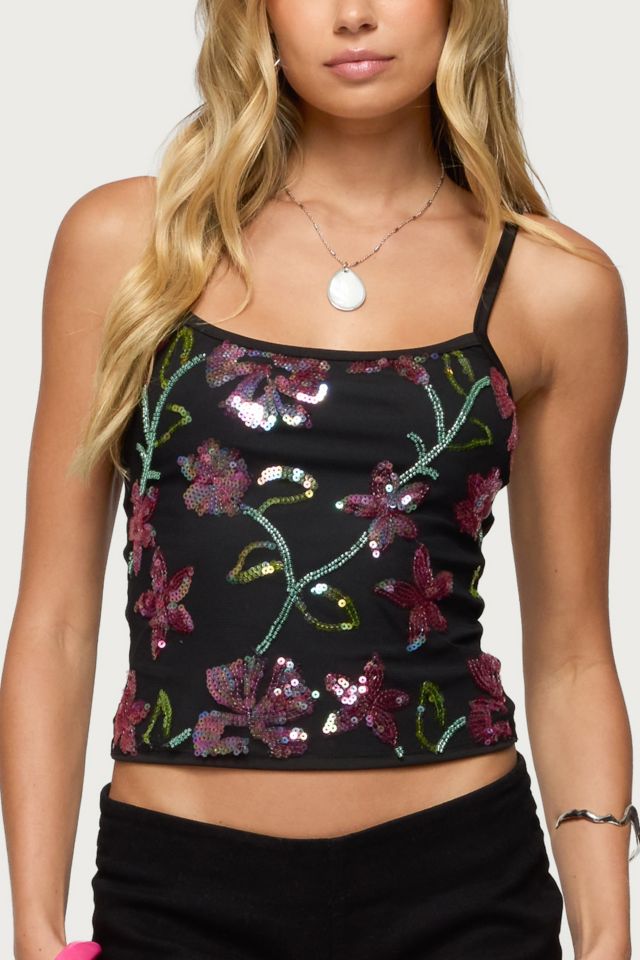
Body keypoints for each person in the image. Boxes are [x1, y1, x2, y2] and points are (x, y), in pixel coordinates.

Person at [1, 1, 637, 959]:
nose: (353, 15)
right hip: (179, 894)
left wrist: (607, 937)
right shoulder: (133, 243)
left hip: (462, 889)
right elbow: (53, 619)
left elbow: (574, 653)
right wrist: (35, 926)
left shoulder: (552, 286)